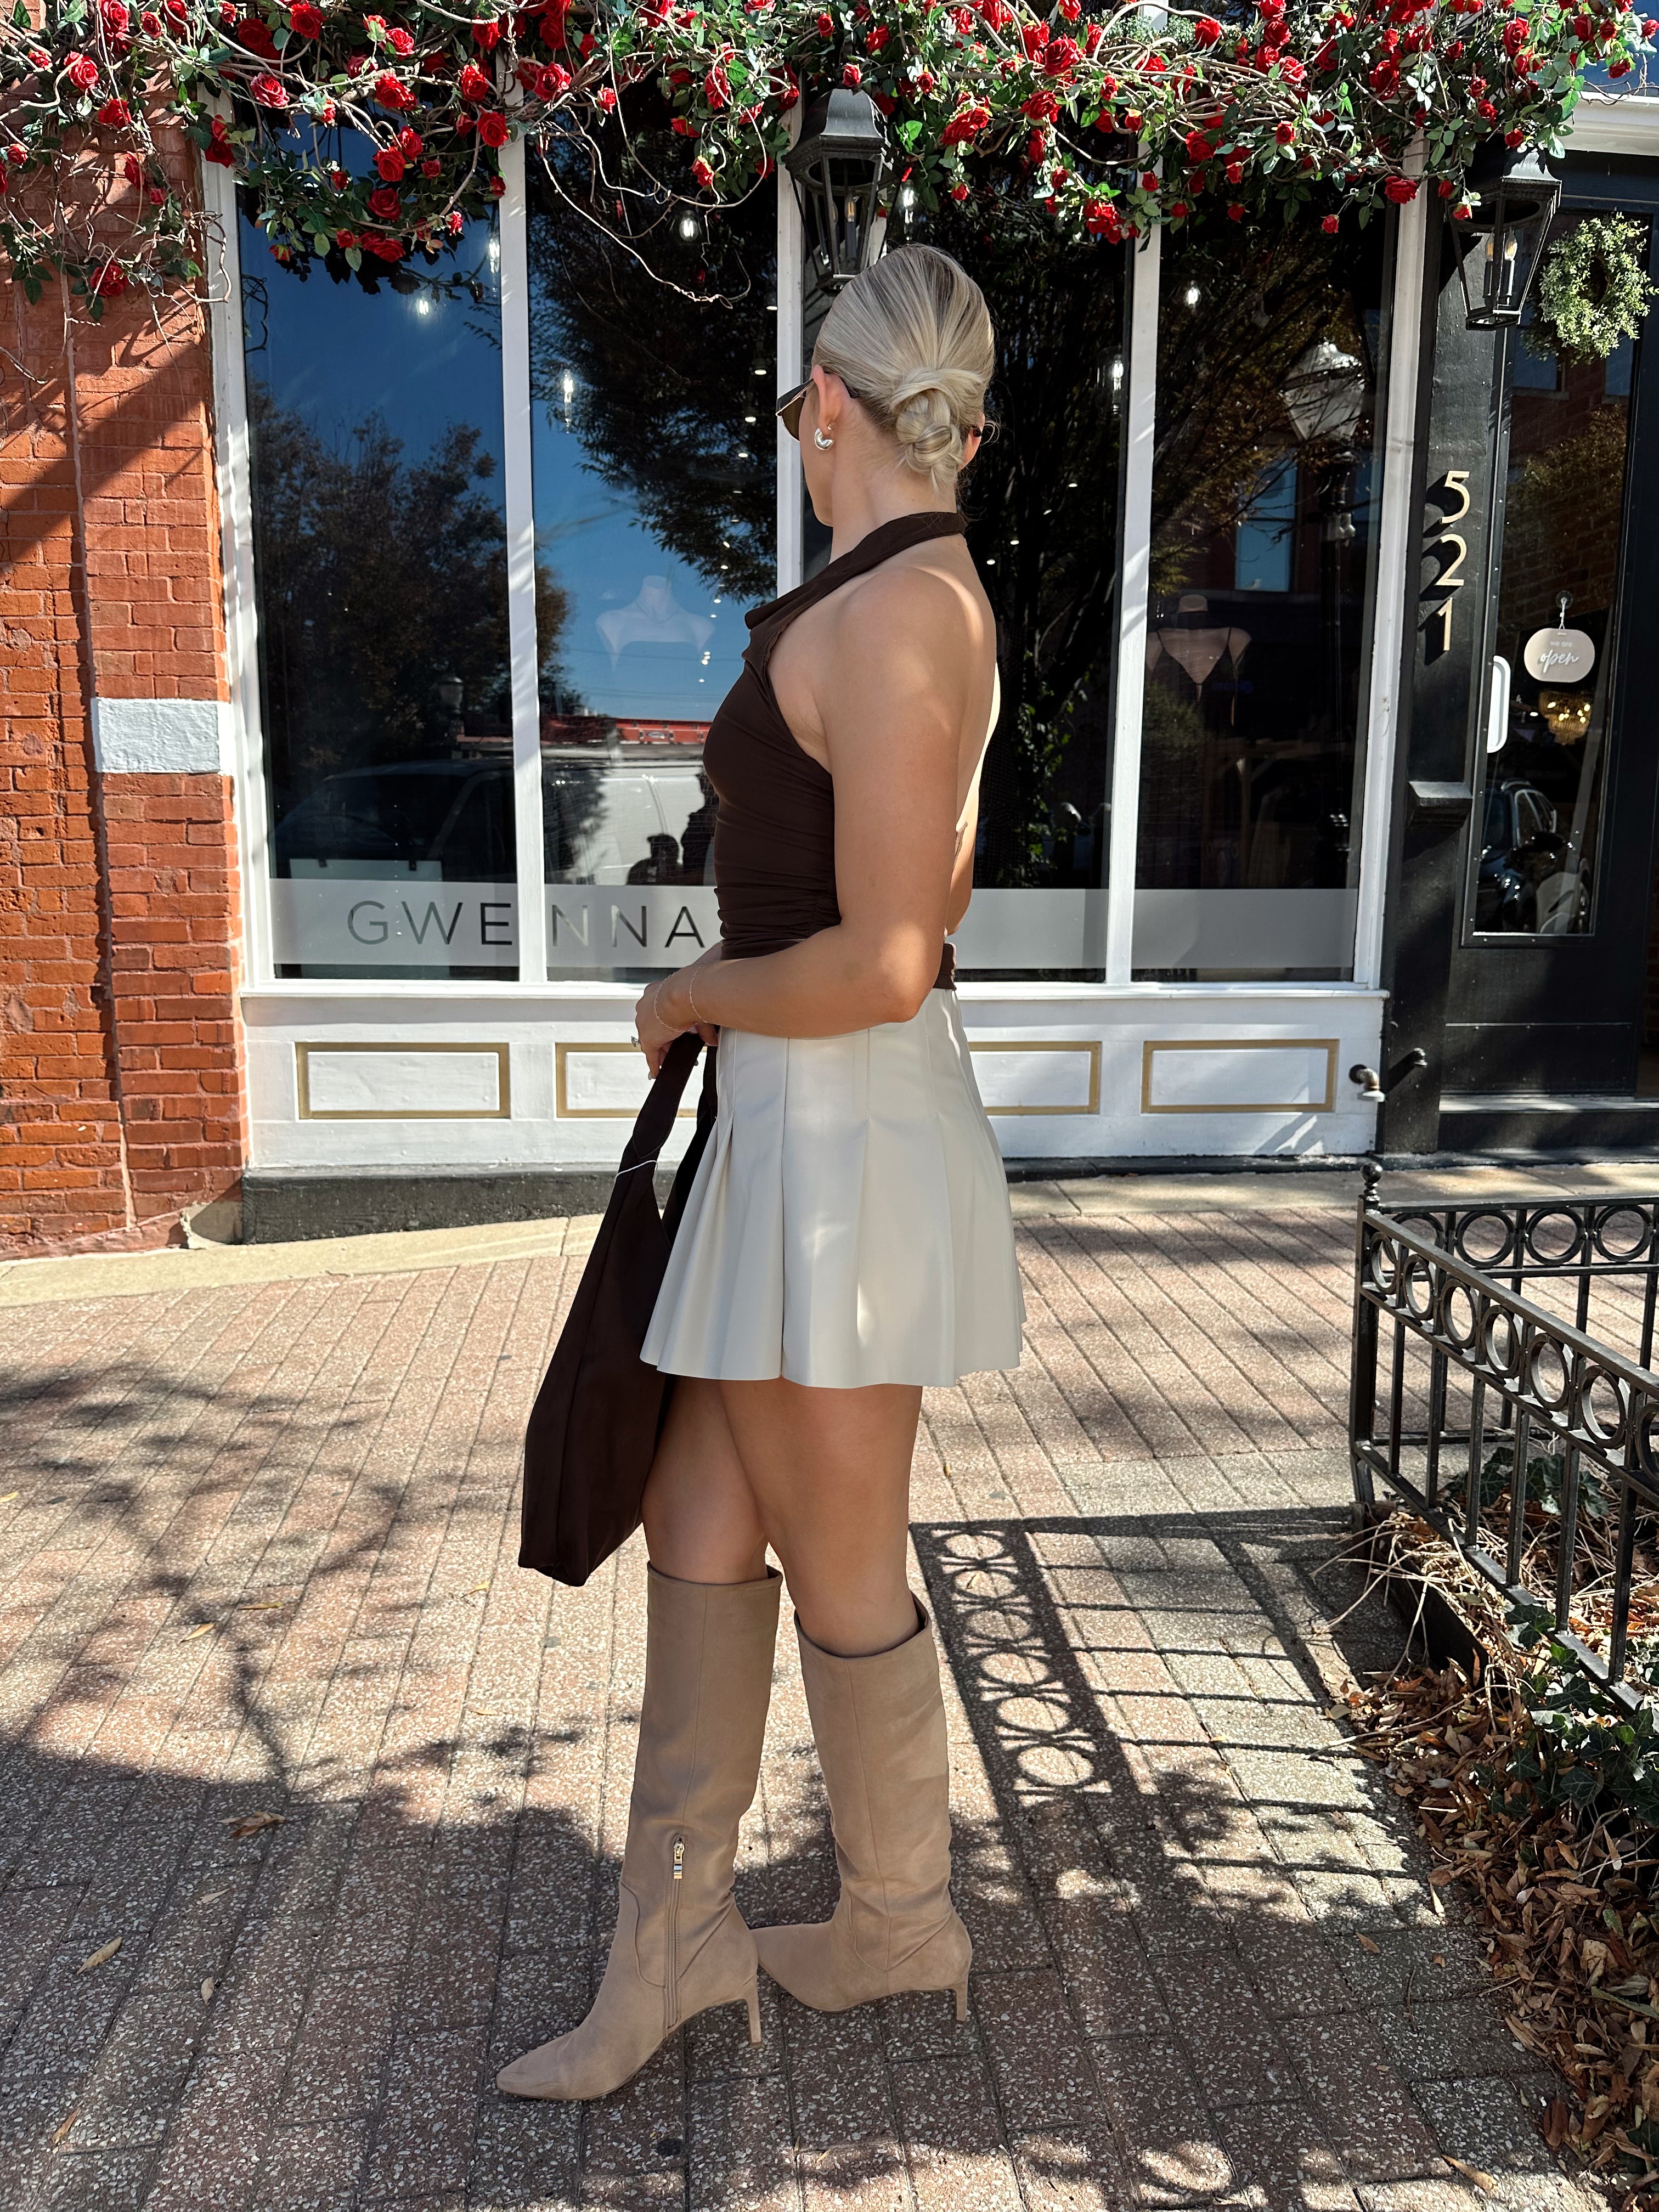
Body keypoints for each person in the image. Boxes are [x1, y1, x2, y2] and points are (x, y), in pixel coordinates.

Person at [498, 243, 1024, 2103]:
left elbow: (890, 953)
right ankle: (679, 1948)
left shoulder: (896, 615)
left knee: (845, 1563)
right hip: (813, 1134)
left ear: (827, 403)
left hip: (838, 1145)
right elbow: (934, 902)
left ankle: (899, 1921)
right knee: (709, 1520)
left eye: (795, 404)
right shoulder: (923, 596)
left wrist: (687, 991)